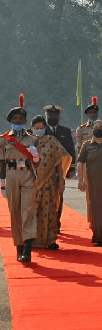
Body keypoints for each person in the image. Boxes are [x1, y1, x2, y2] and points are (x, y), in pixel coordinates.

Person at [0, 94, 40, 262]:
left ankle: (28, 248)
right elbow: (1, 163)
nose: (18, 121)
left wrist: (35, 156)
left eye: (21, 118)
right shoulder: (3, 140)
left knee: (28, 210)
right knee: (15, 212)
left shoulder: (33, 139)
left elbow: (38, 164)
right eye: (15, 118)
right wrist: (2, 184)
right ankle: (19, 246)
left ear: (25, 121)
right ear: (10, 120)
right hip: (11, 175)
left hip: (27, 175)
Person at [31, 116, 72, 249]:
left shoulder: (52, 141)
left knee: (51, 210)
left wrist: (61, 180)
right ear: (31, 128)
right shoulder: (27, 142)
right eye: (36, 128)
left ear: (45, 128)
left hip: (50, 182)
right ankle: (32, 239)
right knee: (33, 210)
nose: (39, 130)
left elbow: (59, 160)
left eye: (41, 127)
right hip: (32, 182)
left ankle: (51, 240)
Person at [44, 104, 75, 231]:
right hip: (44, 169)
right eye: (50, 115)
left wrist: (71, 168)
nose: (52, 117)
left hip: (61, 169)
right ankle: (45, 223)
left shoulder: (65, 131)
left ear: (59, 116)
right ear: (46, 116)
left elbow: (71, 150)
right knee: (44, 196)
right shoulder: (41, 130)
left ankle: (56, 222)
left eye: (55, 115)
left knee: (58, 196)